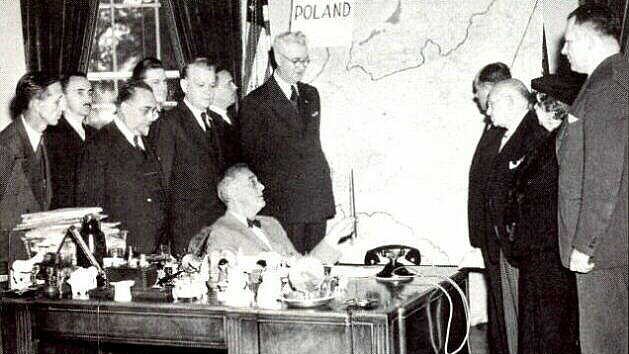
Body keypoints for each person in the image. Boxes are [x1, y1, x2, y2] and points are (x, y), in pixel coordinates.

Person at [557, 4, 628, 354]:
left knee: (604, 346)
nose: (563, 50)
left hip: (606, 252)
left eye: (569, 41)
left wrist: (586, 244)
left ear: (588, 39)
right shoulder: (616, 78)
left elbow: (604, 176)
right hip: (615, 246)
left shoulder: (606, 86)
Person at [239, 31, 335, 254]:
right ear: (277, 59)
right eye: (295, 61)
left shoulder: (312, 94)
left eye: (305, 60)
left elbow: (311, 143)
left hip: (316, 201)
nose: (302, 67)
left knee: (315, 269)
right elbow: (253, 159)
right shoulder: (255, 103)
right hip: (283, 206)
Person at [505, 93, 579, 354]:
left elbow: (534, 191)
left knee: (549, 330)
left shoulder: (558, 147)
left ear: (551, 112)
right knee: (539, 328)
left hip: (547, 253)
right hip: (538, 251)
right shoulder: (549, 143)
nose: (532, 113)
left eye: (537, 108)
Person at [484, 79, 546, 354]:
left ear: (510, 102)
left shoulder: (534, 135)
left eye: (491, 104)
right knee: (512, 324)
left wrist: (512, 243)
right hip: (507, 246)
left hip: (521, 249)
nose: (488, 112)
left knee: (525, 325)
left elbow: (530, 197)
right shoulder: (508, 136)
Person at [188, 164, 353, 265]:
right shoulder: (220, 232)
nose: (262, 187)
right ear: (232, 192)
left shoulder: (271, 223)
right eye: (253, 182)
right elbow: (226, 278)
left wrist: (332, 240)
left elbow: (302, 270)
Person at [76, 81, 167, 254]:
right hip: (119, 256)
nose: (152, 117)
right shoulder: (97, 146)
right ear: (125, 108)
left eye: (155, 111)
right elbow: (90, 211)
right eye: (146, 110)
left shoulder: (147, 143)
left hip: (151, 253)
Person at [149, 58, 225, 256]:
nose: (208, 91)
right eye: (201, 85)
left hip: (217, 227)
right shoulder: (169, 123)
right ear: (185, 85)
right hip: (186, 229)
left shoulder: (216, 122)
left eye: (211, 85)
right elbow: (163, 182)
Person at [467, 62, 511, 354]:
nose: (477, 98)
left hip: (498, 236)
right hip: (490, 235)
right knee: (498, 304)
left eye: (477, 91)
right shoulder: (494, 126)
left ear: (487, 88)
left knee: (502, 306)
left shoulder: (502, 128)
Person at [1, 72, 63, 264]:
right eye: (57, 101)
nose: (63, 107)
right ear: (36, 103)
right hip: (9, 261)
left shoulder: (43, 140)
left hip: (32, 257)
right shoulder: (6, 146)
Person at [45, 73, 97, 209]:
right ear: (63, 98)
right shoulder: (51, 135)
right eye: (80, 93)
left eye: (90, 92)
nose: (88, 98)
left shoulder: (96, 134)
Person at [209, 69, 241, 167]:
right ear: (213, 90)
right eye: (229, 83)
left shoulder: (231, 117)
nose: (235, 87)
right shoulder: (209, 124)